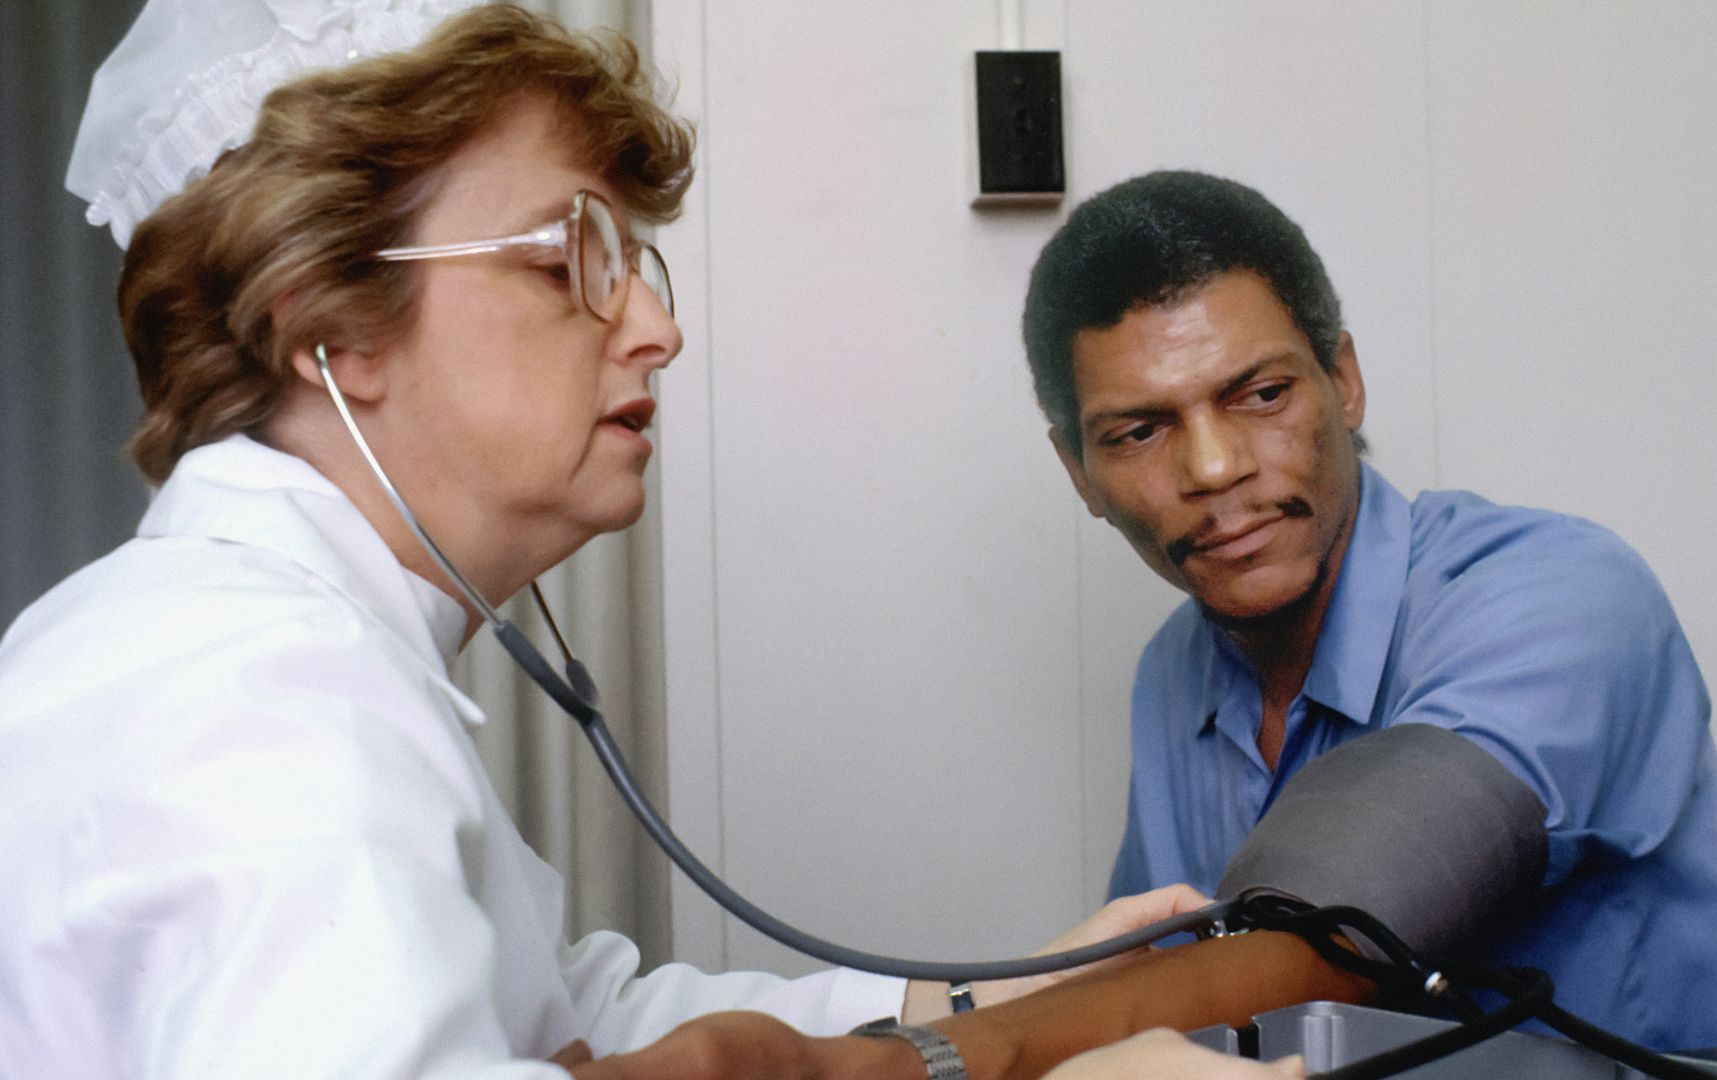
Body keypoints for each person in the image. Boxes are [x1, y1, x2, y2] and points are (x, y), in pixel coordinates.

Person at [0, 5, 1313, 1078]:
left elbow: (581, 1024)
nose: (653, 328)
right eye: (572, 253)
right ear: (331, 328)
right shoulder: (255, 698)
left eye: (637, 262)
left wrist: (989, 1004)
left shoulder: (287, 654)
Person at [1020, 170, 1717, 1052]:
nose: (1213, 469)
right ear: (1078, 474)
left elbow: (1334, 927)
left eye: (1260, 394)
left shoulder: (1565, 594)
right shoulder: (1172, 675)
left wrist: (918, 1057)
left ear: (1344, 380)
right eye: (1139, 431)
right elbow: (1160, 997)